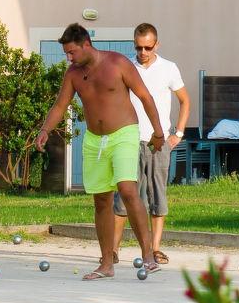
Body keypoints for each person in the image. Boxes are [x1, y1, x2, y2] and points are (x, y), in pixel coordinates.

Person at [32, 23, 165, 281]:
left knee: (127, 189)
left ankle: (148, 254)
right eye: (66, 53)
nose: (69, 58)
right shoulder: (72, 74)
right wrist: (45, 129)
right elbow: (61, 105)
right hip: (94, 140)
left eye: (72, 52)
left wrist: (158, 133)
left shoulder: (117, 63)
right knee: (101, 199)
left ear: (86, 45)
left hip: (124, 133)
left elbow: (145, 97)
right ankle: (106, 263)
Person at [131, 22, 191, 268]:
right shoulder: (128, 67)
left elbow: (185, 101)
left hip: (159, 142)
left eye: (147, 47)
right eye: (138, 47)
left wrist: (177, 133)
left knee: (158, 197)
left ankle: (155, 248)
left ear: (157, 44)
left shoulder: (169, 68)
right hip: (131, 142)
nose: (143, 52)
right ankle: (115, 250)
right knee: (129, 198)